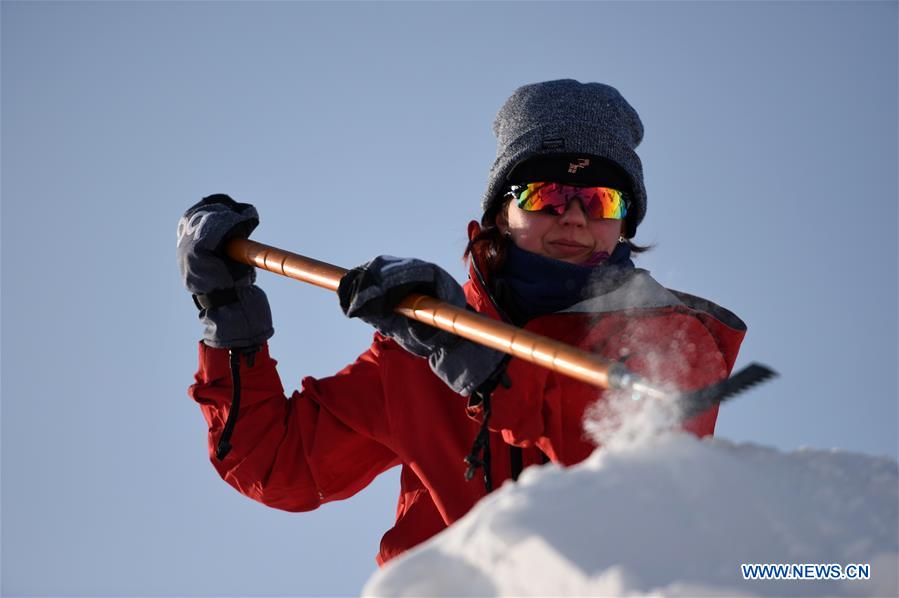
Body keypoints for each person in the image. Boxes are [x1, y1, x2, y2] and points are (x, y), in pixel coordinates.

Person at [177, 79, 746, 566]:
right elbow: (277, 464)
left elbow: (648, 488)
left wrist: (492, 373)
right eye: (547, 194)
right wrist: (227, 315)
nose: (574, 218)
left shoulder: (668, 337)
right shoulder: (423, 343)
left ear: (624, 223)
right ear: (499, 212)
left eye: (601, 200)